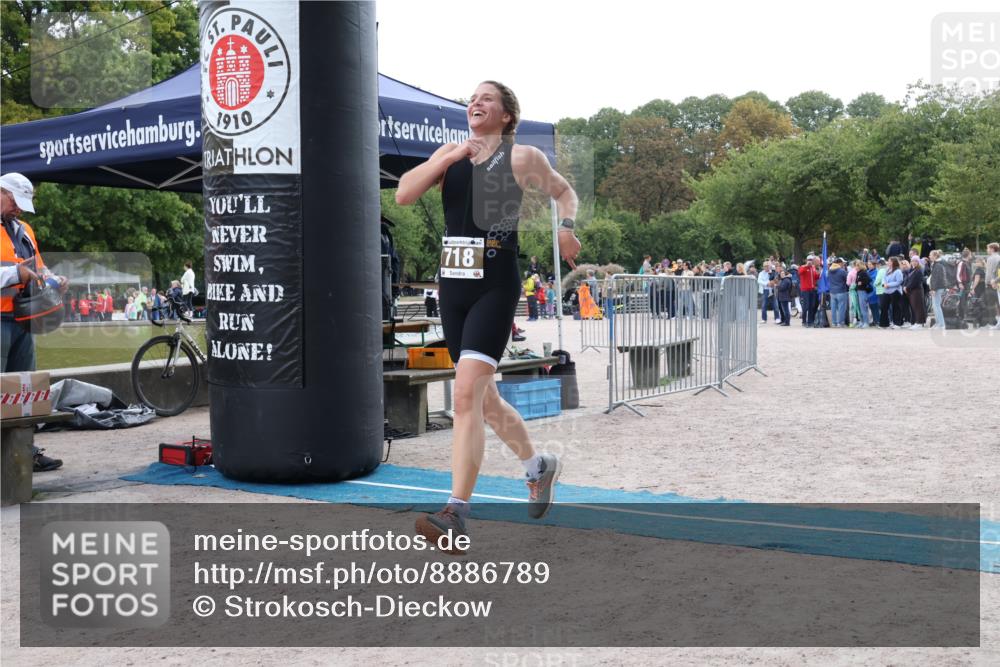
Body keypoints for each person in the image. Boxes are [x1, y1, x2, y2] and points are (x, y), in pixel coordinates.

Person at [395, 80, 581, 551]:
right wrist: (444, 159)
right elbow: (403, 195)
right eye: (472, 99)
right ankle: (538, 467)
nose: (475, 103)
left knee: (465, 395)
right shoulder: (449, 154)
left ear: (506, 116)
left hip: (495, 287)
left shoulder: (522, 158)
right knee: (487, 402)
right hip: (453, 288)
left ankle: (455, 512)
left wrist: (566, 229)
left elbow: (566, 193)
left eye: (487, 99)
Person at [1, 172, 65, 472]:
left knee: (24, 390)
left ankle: (25, 451)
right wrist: (17, 274)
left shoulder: (24, 229)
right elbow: (19, 270)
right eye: (15, 202)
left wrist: (54, 280)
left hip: (21, 319)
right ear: (3, 192)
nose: (19, 209)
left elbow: (38, 266)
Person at [903, 255, 927, 329]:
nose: (914, 262)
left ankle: (920, 323)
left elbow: (915, 281)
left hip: (917, 291)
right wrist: (905, 286)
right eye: (913, 261)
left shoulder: (919, 270)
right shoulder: (912, 269)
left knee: (918, 307)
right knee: (914, 307)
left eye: (916, 261)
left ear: (918, 262)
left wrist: (907, 287)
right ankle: (917, 322)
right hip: (912, 291)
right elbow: (907, 279)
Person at [882, 257, 905, 329]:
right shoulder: (887, 270)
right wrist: (884, 284)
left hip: (895, 291)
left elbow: (899, 281)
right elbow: (883, 278)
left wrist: (888, 285)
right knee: (883, 306)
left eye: (889, 261)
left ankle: (897, 323)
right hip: (886, 291)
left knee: (896, 307)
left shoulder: (898, 271)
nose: (887, 262)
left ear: (893, 262)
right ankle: (884, 324)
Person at [827, 258, 848, 328]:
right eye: (842, 263)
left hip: (832, 291)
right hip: (841, 291)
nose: (843, 264)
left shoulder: (829, 271)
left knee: (833, 308)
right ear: (839, 263)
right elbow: (847, 280)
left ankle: (834, 323)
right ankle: (840, 323)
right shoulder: (842, 271)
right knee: (841, 308)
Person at [986, 242, 1000, 329]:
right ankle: (996, 323)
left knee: (992, 304)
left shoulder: (992, 258)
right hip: (994, 283)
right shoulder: (997, 257)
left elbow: (991, 272)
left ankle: (993, 323)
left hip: (993, 284)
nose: (987, 250)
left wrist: (993, 281)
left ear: (992, 249)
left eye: (988, 248)